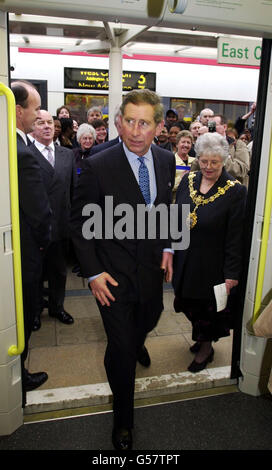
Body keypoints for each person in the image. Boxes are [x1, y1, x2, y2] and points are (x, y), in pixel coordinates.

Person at [71, 88, 175, 450]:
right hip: (111, 278)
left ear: (158, 127)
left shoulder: (165, 160)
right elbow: (80, 224)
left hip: (149, 274)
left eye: (143, 123)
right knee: (122, 348)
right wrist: (94, 273)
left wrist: (167, 245)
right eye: (128, 120)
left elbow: (165, 206)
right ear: (119, 121)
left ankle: (129, 345)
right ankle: (123, 422)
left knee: (151, 318)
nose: (134, 130)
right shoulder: (98, 164)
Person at [173, 132, 247, 373]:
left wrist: (231, 274)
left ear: (224, 160)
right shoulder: (188, 180)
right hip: (185, 258)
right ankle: (202, 336)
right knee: (185, 302)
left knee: (206, 309)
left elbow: (236, 238)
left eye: (214, 162)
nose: (208, 166)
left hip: (213, 264)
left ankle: (205, 348)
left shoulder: (235, 192)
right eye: (204, 160)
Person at [11, 80, 51, 397]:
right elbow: (39, 212)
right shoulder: (22, 152)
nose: (38, 115)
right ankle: (18, 377)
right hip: (25, 251)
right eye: (36, 108)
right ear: (18, 110)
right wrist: (43, 242)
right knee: (23, 311)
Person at [30, 110, 77, 330]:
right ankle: (35, 310)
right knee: (36, 273)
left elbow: (72, 191)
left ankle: (57, 307)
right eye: (41, 122)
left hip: (61, 226)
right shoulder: (25, 154)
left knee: (59, 270)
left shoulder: (67, 154)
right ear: (33, 127)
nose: (47, 126)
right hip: (34, 228)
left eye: (50, 122)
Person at [191, 114, 250, 186]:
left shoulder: (238, 145)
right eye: (209, 125)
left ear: (224, 127)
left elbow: (242, 170)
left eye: (214, 125)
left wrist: (221, 153)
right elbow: (195, 170)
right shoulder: (205, 144)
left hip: (231, 191)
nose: (211, 128)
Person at [173, 130, 195, 201]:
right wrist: (182, 179)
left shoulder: (195, 161)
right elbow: (167, 187)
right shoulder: (171, 160)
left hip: (192, 203)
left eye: (188, 143)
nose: (186, 145)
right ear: (177, 144)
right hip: (175, 202)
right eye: (183, 142)